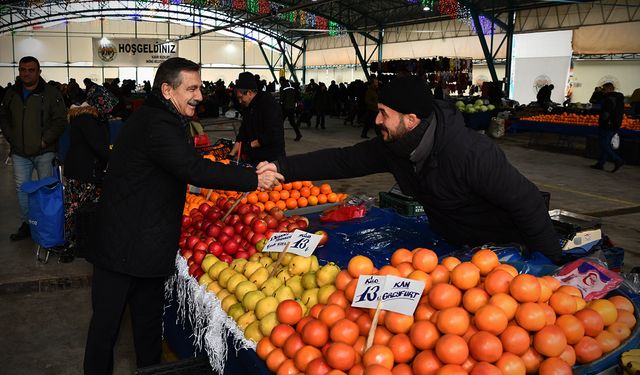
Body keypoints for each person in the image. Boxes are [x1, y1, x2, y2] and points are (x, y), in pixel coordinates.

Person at [83, 58, 282, 374]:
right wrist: (253, 179)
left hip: (147, 243)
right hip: (121, 244)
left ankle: (149, 369)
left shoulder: (161, 118)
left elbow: (174, 168)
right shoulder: (156, 124)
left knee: (148, 324)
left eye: (200, 87)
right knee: (106, 330)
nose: (200, 96)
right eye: (192, 88)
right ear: (166, 89)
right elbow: (192, 168)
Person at [257, 75, 561, 263]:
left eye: (384, 114)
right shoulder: (395, 146)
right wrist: (282, 167)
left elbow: (527, 202)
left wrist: (550, 265)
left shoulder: (471, 153)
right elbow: (343, 160)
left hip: (499, 248)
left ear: (411, 119)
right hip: (449, 243)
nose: (376, 121)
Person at [0, 56, 67, 241]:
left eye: (31, 70)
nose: (26, 73)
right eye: (22, 69)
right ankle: (29, 224)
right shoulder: (11, 93)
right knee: (22, 189)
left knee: (46, 188)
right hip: (20, 152)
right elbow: (3, 116)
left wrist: (45, 141)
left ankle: (46, 224)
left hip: (45, 151)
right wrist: (11, 137)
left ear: (39, 72)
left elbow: (61, 120)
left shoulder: (51, 93)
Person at [63, 85, 118, 254]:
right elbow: (99, 147)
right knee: (76, 210)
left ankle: (85, 244)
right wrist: (119, 157)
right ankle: (73, 246)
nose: (110, 110)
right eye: (108, 105)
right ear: (99, 102)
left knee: (86, 210)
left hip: (87, 172)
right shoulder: (87, 119)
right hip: (83, 173)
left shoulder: (93, 118)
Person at [229, 71, 285, 164]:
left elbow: (272, 134)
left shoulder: (268, 104)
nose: (239, 101)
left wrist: (250, 145)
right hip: (255, 158)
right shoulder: (248, 107)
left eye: (240, 97)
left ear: (249, 93)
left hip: (271, 158)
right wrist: (231, 154)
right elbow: (243, 132)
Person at [591, 82, 625, 172]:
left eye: (604, 89)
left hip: (607, 125)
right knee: (605, 144)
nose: (603, 91)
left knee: (604, 144)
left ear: (609, 89)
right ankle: (600, 163)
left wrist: (603, 120)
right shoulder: (618, 98)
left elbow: (605, 113)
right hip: (615, 124)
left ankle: (617, 160)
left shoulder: (609, 98)